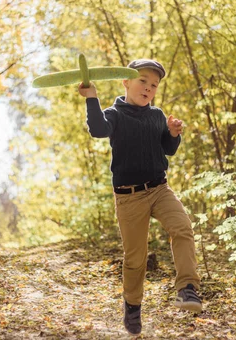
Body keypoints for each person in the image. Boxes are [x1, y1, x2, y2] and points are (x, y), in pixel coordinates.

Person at [78, 59, 202, 336]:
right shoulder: (114, 114)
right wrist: (92, 98)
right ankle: (132, 306)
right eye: (142, 81)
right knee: (136, 258)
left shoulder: (157, 115)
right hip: (129, 197)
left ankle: (187, 288)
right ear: (126, 82)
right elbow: (98, 130)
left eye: (154, 85)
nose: (148, 88)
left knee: (182, 228)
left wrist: (173, 133)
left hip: (159, 188)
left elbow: (167, 150)